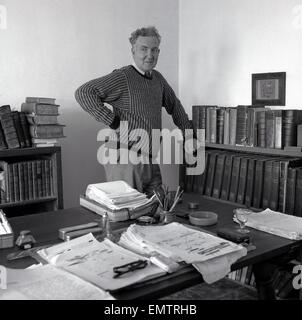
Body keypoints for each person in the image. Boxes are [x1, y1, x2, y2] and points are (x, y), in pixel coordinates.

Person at [75, 26, 194, 197]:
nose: (150, 55)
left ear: (158, 52)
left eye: (154, 50)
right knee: (129, 211)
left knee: (157, 206)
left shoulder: (158, 79)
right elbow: (84, 92)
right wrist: (112, 121)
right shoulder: (123, 76)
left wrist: (188, 132)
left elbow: (174, 105)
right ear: (133, 51)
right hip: (125, 158)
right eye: (143, 49)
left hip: (150, 156)